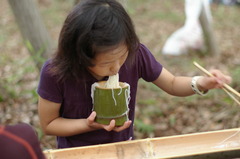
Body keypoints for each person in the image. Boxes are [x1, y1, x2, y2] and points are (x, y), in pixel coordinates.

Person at [37, 0, 232, 149]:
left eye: (121, 57)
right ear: (79, 55)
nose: (116, 69)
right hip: (76, 153)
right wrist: (91, 125)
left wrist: (202, 83)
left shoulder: (135, 54)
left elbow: (172, 83)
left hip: (124, 149)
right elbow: (49, 124)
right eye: (105, 63)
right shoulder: (55, 73)